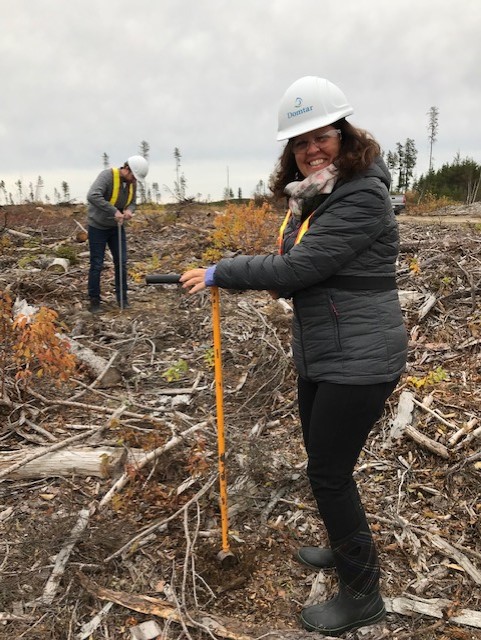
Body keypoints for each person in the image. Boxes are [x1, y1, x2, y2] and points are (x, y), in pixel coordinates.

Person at [180, 76, 408, 636]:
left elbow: (300, 270)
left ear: (344, 134)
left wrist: (221, 270)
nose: (311, 149)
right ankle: (344, 547)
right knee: (327, 464)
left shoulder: (362, 195)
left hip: (359, 357)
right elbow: (298, 266)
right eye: (300, 142)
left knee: (328, 473)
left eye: (321, 136)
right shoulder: (320, 196)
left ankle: (363, 594)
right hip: (326, 349)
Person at [86, 155, 149, 313]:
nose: (134, 180)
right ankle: (94, 301)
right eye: (133, 176)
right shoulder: (106, 176)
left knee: (121, 262)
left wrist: (129, 211)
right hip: (97, 227)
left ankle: (122, 299)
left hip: (116, 228)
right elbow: (92, 195)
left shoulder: (131, 183)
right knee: (97, 264)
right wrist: (113, 211)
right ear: (126, 169)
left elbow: (133, 202)